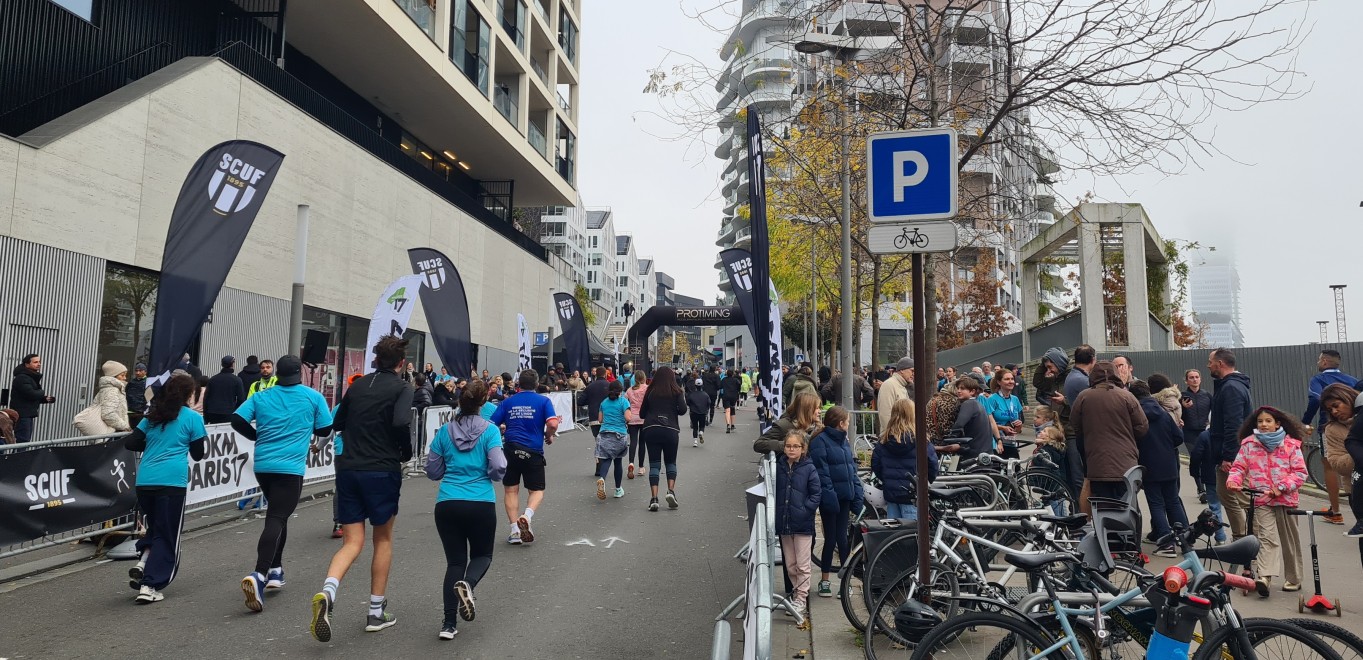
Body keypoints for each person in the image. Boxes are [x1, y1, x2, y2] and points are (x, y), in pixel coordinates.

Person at [309, 338, 413, 640]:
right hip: (381, 468)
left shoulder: (356, 386)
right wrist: (404, 451)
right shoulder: (402, 387)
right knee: (383, 538)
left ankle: (328, 591)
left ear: (375, 359)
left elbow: (337, 422)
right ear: (401, 362)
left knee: (352, 542)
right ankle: (376, 612)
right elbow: (401, 420)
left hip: (350, 468)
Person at [232, 355, 333, 615]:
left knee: (280, 515)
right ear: (300, 371)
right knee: (276, 517)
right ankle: (259, 573)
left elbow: (236, 420)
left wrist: (256, 436)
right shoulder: (312, 397)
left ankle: (276, 570)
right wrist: (305, 427)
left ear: (276, 372)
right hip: (290, 468)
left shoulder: (262, 396)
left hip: (264, 466)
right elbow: (325, 430)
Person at [424, 379, 506, 640]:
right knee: (482, 556)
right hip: (480, 501)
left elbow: (432, 470)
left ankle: (448, 624)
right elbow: (498, 466)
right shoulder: (491, 431)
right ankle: (468, 585)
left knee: (455, 562)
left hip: (448, 502)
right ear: (483, 402)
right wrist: (489, 473)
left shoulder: (444, 432)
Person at [121, 373, 206, 604]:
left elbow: (130, 442)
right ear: (190, 394)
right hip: (171, 482)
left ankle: (143, 562)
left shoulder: (152, 416)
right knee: (169, 535)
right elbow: (199, 454)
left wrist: (152, 443)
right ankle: (150, 584)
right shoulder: (192, 418)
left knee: (157, 528)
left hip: (146, 480)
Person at [1226, 406, 1308, 596]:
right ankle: (1264, 576)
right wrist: (1233, 480)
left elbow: (1300, 473)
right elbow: (1238, 467)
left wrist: (1280, 487)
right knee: (1265, 537)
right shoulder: (1248, 444)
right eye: (1260, 421)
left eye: (1268, 421)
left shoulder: (1291, 445)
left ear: (1277, 423)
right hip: (1261, 498)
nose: (1263, 424)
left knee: (1289, 540)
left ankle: (1293, 578)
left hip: (1286, 499)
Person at [490, 369, 560, 544]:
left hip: (511, 449)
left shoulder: (508, 402)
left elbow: (491, 424)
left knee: (511, 490)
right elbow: (552, 423)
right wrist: (548, 435)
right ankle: (527, 517)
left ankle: (514, 531)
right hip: (533, 451)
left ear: (518, 384)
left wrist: (503, 429)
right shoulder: (543, 401)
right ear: (537, 384)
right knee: (536, 490)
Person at [1071, 361, 1147, 501]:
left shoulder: (1083, 397)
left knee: (1102, 504)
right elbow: (1142, 427)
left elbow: (1075, 425)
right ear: (1116, 375)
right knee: (1126, 504)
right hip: (1126, 462)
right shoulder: (1127, 396)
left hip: (1097, 462)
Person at [808, 406, 863, 597]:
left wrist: (856, 492)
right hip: (832, 498)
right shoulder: (820, 441)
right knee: (831, 539)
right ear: (841, 423)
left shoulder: (842, 441)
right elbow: (822, 473)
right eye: (847, 421)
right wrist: (830, 496)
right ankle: (825, 580)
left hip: (844, 495)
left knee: (843, 538)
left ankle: (844, 581)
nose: (849, 424)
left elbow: (851, 469)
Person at [1130, 380, 1187, 557]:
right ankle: (1185, 537)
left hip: (1149, 464)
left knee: (1156, 503)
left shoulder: (1135, 416)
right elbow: (1178, 437)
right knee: (1173, 500)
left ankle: (1166, 542)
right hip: (1169, 463)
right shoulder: (1163, 413)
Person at [1303, 349, 1357, 525]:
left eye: (1319, 360)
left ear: (1324, 361)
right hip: (1355, 424)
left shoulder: (1318, 380)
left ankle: (1335, 511)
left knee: (1331, 465)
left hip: (1331, 427)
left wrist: (1305, 422)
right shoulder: (1352, 381)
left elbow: (1315, 399)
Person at [1207, 348, 1253, 541]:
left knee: (1238, 497)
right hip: (1230, 453)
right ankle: (1241, 537)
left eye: (1210, 361)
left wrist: (1229, 457)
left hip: (1233, 455)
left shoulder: (1231, 388)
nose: (1208, 365)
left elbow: (1234, 424)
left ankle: (1247, 538)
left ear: (1220, 363)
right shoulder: (1230, 386)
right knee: (1226, 495)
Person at [775, 428, 820, 620]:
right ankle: (796, 594)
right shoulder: (779, 467)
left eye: (795, 446)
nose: (791, 449)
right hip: (784, 522)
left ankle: (801, 597)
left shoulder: (809, 468)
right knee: (790, 564)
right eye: (788, 446)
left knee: (802, 564)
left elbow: (816, 493)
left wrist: (805, 510)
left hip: (802, 524)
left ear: (803, 448)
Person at [872, 399, 938, 521]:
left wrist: (887, 479)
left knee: (894, 533)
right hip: (913, 493)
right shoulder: (920, 440)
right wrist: (926, 481)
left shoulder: (884, 440)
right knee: (913, 533)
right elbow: (932, 465)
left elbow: (876, 465)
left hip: (891, 494)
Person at [639, 367, 687, 511]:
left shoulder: (650, 391)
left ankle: (654, 499)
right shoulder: (677, 391)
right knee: (670, 462)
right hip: (670, 429)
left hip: (651, 429)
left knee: (654, 464)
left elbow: (642, 414)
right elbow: (683, 410)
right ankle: (670, 491)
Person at [1320, 384, 1358, 532]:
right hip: (1357, 488)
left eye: (1336, 405)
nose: (1334, 412)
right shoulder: (1332, 429)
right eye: (1330, 410)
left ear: (1347, 397)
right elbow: (1337, 464)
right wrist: (1358, 452)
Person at [1181, 369, 1214, 502]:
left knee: (1207, 460)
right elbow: (1176, 413)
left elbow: (1215, 412)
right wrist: (1182, 406)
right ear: (1186, 381)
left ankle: (1209, 487)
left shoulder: (1207, 395)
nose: (1194, 379)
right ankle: (1201, 489)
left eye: (1196, 377)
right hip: (1189, 433)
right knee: (1196, 458)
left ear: (1200, 379)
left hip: (1205, 432)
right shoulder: (1182, 396)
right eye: (1191, 377)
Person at [945, 377, 996, 462]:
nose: (958, 391)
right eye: (958, 388)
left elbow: (959, 425)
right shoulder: (977, 404)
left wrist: (948, 439)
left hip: (974, 452)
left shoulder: (969, 404)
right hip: (985, 450)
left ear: (972, 392)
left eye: (962, 388)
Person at [595, 380, 631, 499]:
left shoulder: (603, 402)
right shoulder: (623, 402)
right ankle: (617, 489)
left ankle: (602, 478)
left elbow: (600, 420)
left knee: (606, 459)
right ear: (620, 391)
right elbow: (628, 417)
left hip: (604, 434)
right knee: (618, 461)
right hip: (619, 435)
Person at [755, 392, 823, 454]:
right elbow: (759, 444)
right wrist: (788, 445)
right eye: (817, 408)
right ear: (807, 410)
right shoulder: (784, 426)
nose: (820, 411)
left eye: (819, 408)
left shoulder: (817, 428)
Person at [76, 361, 131, 436]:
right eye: (122, 375)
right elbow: (108, 414)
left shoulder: (105, 389)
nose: (125, 378)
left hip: (111, 430)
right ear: (113, 376)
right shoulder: (112, 390)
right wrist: (126, 427)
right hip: (113, 432)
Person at [9, 354, 55, 443]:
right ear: (27, 364)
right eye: (35, 362)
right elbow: (31, 394)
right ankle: (19, 457)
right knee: (23, 440)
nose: (39, 364)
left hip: (26, 414)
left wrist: (44, 399)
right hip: (22, 415)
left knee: (24, 440)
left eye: (39, 362)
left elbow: (28, 396)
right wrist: (42, 392)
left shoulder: (30, 377)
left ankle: (19, 456)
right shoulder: (22, 378)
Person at [984, 368, 1023, 458]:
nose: (1011, 381)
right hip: (996, 442)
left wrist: (1018, 426)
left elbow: (1017, 427)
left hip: (1010, 442)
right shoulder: (992, 399)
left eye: (1012, 379)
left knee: (1015, 469)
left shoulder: (1015, 399)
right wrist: (1002, 428)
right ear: (999, 382)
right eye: (1007, 379)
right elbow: (986, 424)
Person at [203, 356, 247, 424]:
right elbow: (241, 399)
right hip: (228, 413)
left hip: (212, 413)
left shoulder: (213, 379)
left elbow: (206, 398)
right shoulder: (237, 380)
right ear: (232, 364)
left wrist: (206, 415)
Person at [876, 357, 915, 430]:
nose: (913, 374)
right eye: (912, 371)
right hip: (894, 437)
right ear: (902, 370)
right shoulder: (889, 385)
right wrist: (892, 436)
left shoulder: (901, 385)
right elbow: (885, 414)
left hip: (901, 436)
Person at [625, 370, 648, 479]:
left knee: (633, 441)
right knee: (642, 443)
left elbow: (624, 401)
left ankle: (631, 463)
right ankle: (641, 467)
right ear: (644, 378)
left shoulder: (630, 390)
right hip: (644, 418)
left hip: (632, 418)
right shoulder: (647, 388)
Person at [582, 366, 609, 440]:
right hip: (607, 417)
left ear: (596, 374)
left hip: (594, 417)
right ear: (605, 374)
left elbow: (580, 401)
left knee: (597, 440)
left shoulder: (590, 387)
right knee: (607, 440)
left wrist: (591, 400)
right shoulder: (610, 386)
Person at [686, 377, 711, 448]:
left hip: (693, 412)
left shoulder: (691, 394)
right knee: (702, 426)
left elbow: (688, 402)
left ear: (695, 385)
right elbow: (709, 403)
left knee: (695, 427)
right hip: (703, 413)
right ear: (702, 385)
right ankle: (701, 433)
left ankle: (695, 441)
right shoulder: (705, 395)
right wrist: (706, 409)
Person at [721, 368, 742, 433]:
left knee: (727, 410)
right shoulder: (735, 380)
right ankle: (732, 424)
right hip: (733, 396)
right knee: (732, 409)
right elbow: (739, 386)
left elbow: (720, 386)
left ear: (726, 374)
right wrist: (738, 391)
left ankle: (728, 425)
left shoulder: (724, 380)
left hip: (726, 396)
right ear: (733, 374)